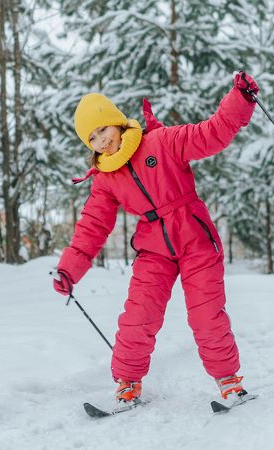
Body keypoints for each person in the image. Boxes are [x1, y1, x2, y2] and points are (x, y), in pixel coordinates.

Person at [52, 71, 259, 407]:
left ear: (117, 122)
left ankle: (229, 382)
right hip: (153, 247)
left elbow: (211, 133)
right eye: (91, 138)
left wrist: (240, 100)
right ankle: (127, 384)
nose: (101, 141)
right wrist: (69, 269)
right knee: (138, 315)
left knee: (206, 314)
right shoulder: (105, 178)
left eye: (102, 129)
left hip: (195, 238)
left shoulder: (161, 142)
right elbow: (92, 225)